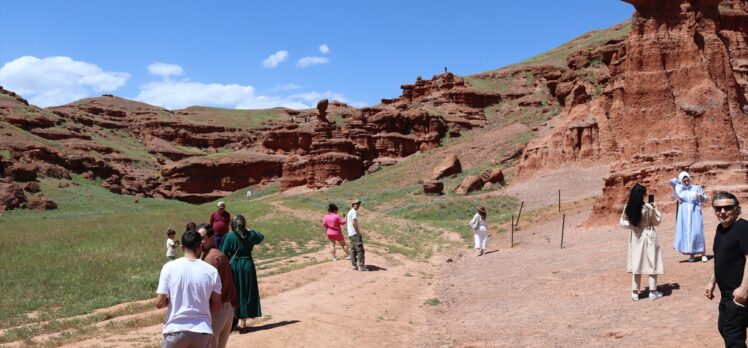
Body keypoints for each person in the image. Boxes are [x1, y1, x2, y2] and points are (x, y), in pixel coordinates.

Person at [155, 230, 222, 348]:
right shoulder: (211, 271)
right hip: (202, 330)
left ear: (182, 247)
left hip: (175, 329)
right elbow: (216, 306)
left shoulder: (168, 267)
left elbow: (159, 303)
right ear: (200, 247)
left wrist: (172, 299)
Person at [705, 191, 748, 347]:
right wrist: (712, 282)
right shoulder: (720, 229)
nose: (722, 212)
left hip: (739, 293)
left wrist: (744, 288)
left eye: (728, 208)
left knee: (733, 335)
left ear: (736, 208)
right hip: (726, 294)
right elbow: (719, 257)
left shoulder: (743, 227)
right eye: (718, 209)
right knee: (724, 328)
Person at [620, 183, 664, 301]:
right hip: (649, 236)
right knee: (652, 263)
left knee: (636, 263)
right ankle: (653, 292)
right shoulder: (648, 208)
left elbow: (623, 222)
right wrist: (655, 207)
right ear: (643, 195)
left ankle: (635, 293)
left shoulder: (627, 207)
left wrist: (634, 226)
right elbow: (657, 221)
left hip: (635, 237)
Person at [220, 214, 264, 329]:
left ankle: (235, 320)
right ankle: (243, 322)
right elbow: (261, 237)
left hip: (235, 266)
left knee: (237, 292)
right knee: (247, 292)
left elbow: (223, 253)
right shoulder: (251, 235)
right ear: (244, 224)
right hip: (248, 265)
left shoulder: (229, 236)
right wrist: (249, 230)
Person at [198, 224, 237, 348]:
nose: (200, 241)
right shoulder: (219, 254)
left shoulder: (210, 259)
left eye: (202, 238)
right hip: (228, 310)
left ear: (212, 237)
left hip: (216, 311)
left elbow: (208, 290)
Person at [670, 171, 708, 262]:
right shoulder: (679, 190)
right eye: (684, 181)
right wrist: (679, 182)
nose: (687, 182)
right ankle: (692, 255)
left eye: (688, 180)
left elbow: (705, 198)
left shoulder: (696, 188)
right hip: (684, 213)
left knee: (698, 232)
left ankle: (703, 253)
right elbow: (672, 182)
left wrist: (701, 197)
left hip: (695, 212)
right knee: (688, 233)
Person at [347, 199, 367, 271]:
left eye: (358, 204)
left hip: (350, 234)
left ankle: (354, 265)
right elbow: (354, 222)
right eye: (356, 204)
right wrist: (358, 232)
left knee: (353, 250)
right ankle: (361, 266)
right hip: (355, 234)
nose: (358, 205)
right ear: (353, 204)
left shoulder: (349, 212)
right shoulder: (354, 212)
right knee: (360, 250)